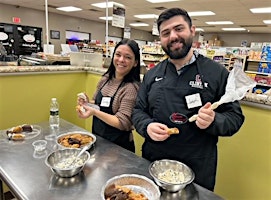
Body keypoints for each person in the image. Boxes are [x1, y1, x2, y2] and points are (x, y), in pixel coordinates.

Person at [131, 8, 245, 191]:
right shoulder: (153, 74)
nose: (173, 36)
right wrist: (146, 126)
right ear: (160, 39)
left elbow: (235, 117)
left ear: (192, 31)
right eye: (166, 33)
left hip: (198, 167)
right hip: (154, 162)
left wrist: (214, 120)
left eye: (179, 29)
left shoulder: (216, 73)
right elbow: (138, 110)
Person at [77, 38, 141, 153]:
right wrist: (86, 103)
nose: (121, 60)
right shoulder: (105, 79)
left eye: (128, 57)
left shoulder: (131, 88)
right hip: (100, 140)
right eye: (118, 54)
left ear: (135, 62)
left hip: (119, 149)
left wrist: (94, 112)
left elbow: (123, 123)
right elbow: (97, 104)